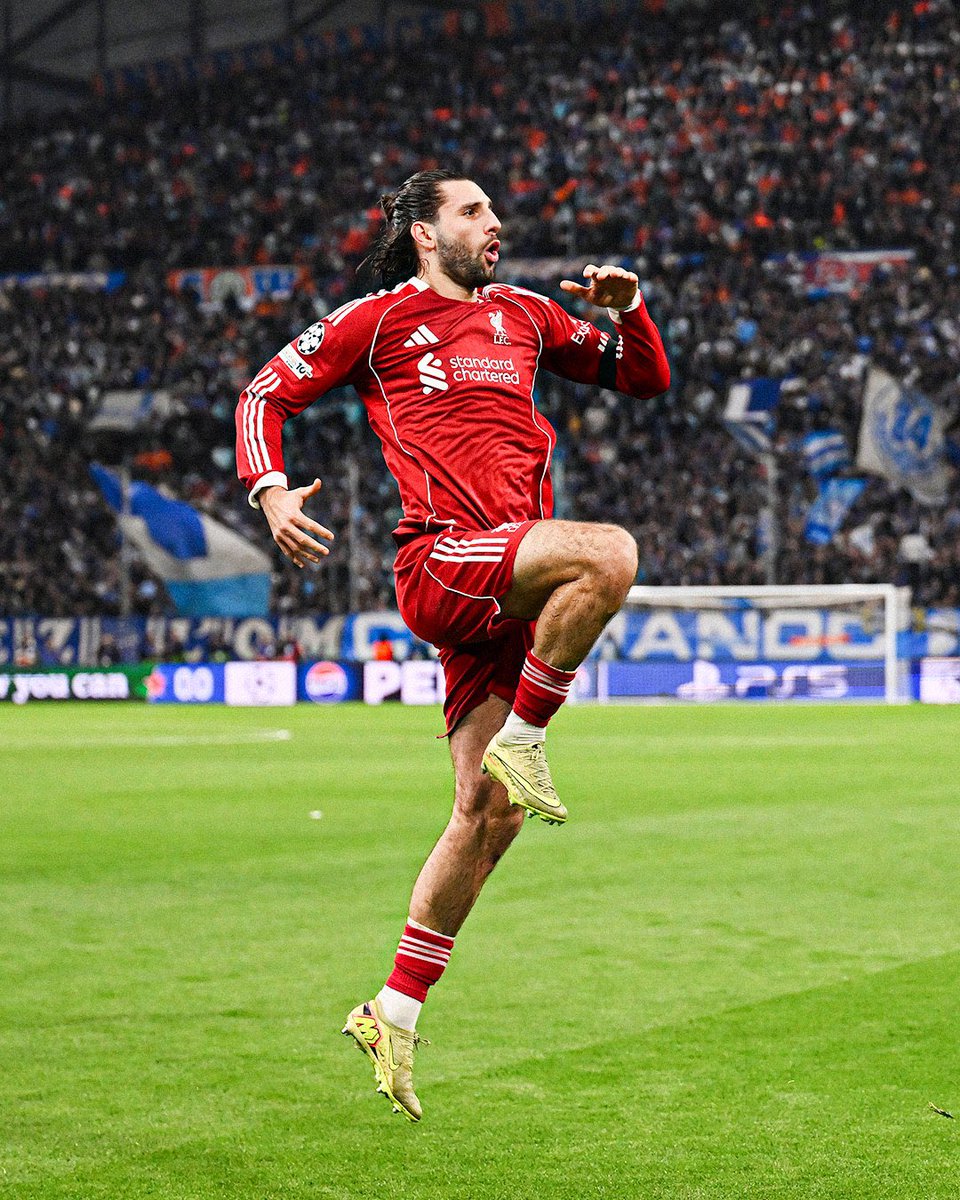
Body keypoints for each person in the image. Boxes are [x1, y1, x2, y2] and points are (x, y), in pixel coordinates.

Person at [235, 169, 670, 1122]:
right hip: (442, 560)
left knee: (489, 813)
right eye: (473, 211)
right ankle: (529, 736)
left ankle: (392, 1010)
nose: (495, 223)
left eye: (493, 211)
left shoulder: (526, 314)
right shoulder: (380, 320)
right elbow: (264, 392)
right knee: (609, 554)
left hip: (509, 582)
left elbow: (643, 378)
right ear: (425, 233)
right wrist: (269, 489)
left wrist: (631, 312)